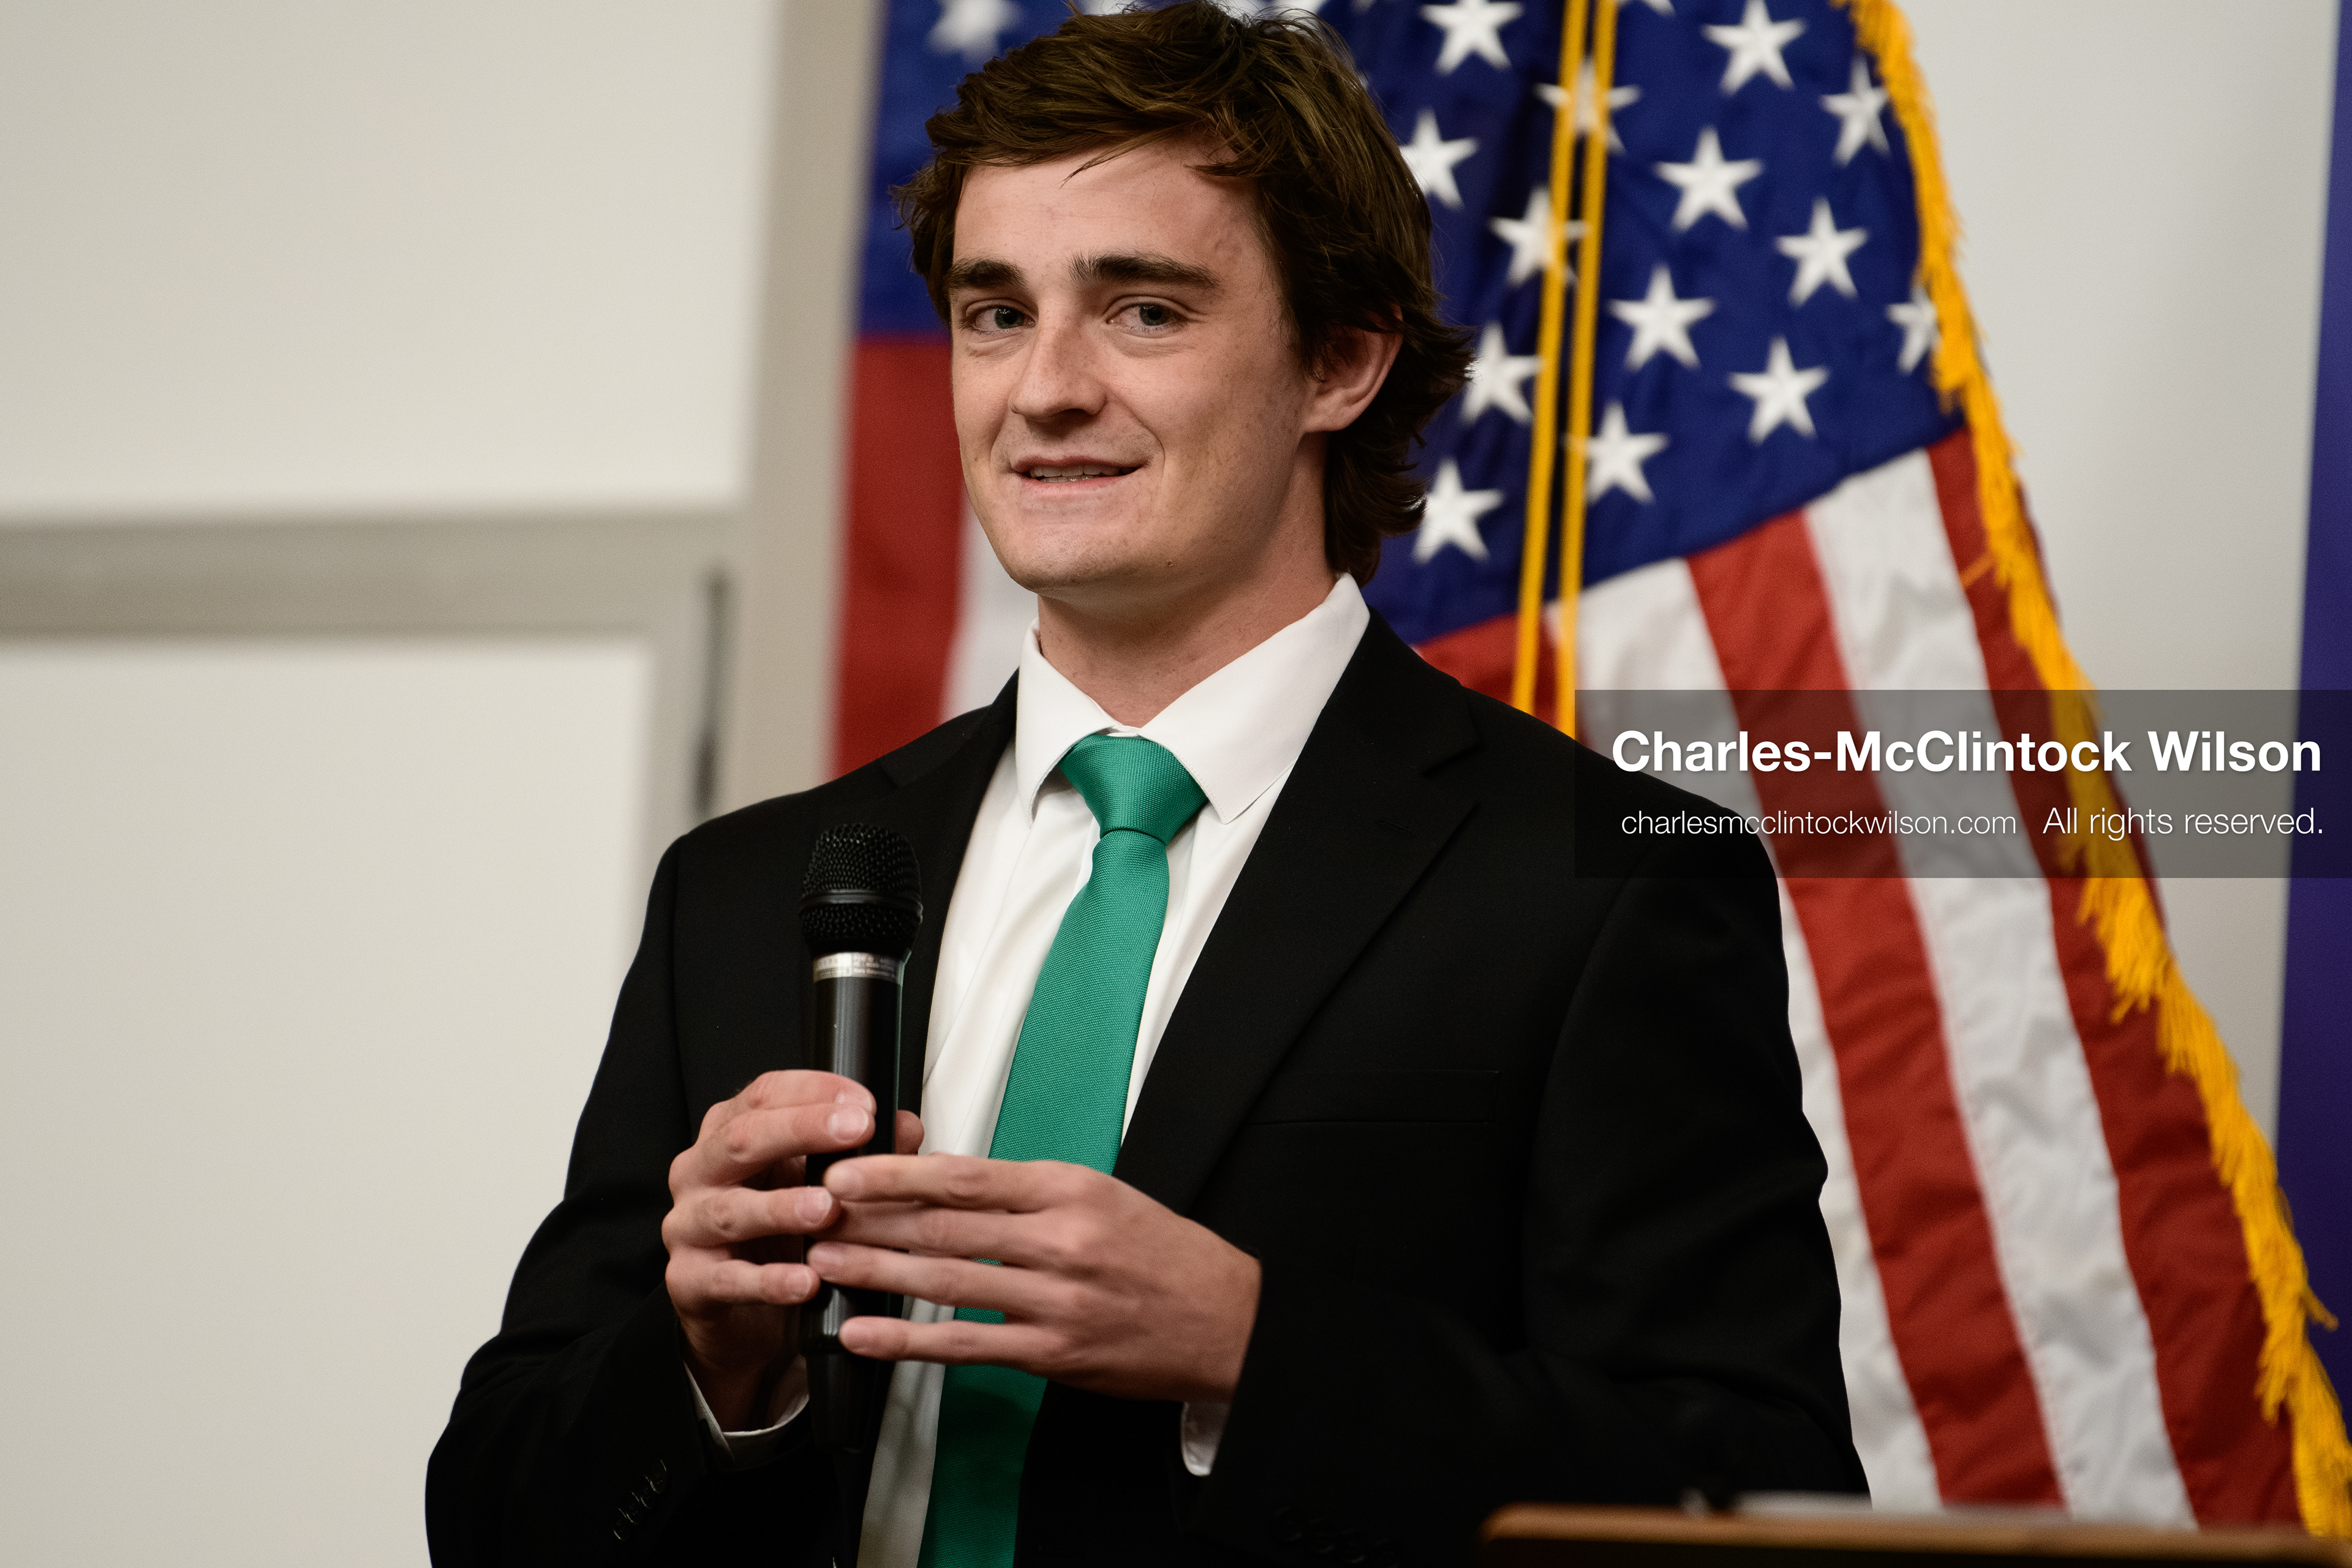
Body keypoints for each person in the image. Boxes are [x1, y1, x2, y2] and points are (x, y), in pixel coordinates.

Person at [425, 6, 1863, 1564]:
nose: (1041, 388)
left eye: (1144, 311)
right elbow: (498, 1517)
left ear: (1341, 358)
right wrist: (707, 1364)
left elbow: (1751, 1498)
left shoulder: (1605, 878)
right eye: (993, 312)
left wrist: (1254, 1349)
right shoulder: (748, 887)